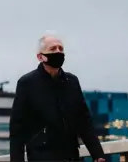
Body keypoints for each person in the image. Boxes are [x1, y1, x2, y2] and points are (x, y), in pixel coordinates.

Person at [10, 34, 105, 162]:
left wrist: (98, 154)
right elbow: (17, 128)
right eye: (53, 49)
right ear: (40, 56)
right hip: (42, 156)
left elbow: (84, 121)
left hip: (71, 155)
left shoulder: (71, 81)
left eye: (61, 48)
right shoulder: (27, 83)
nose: (58, 52)